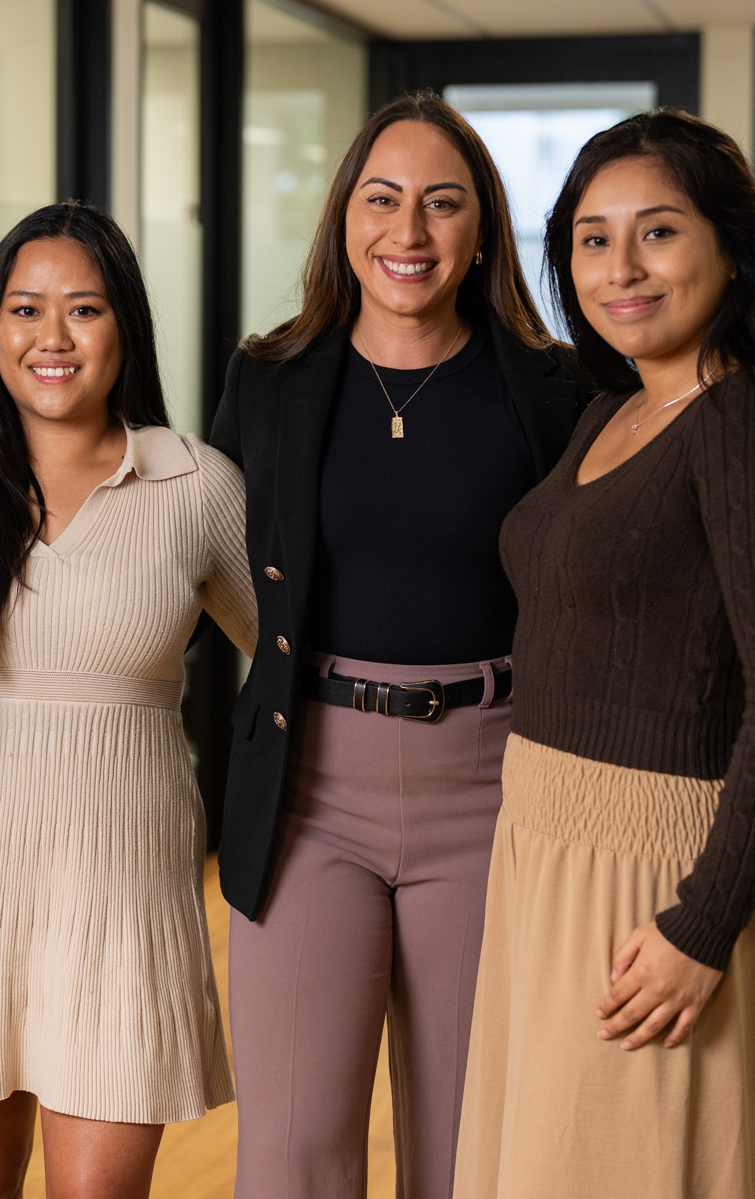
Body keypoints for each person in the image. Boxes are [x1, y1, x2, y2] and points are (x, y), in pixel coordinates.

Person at [451, 110, 755, 1199]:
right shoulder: (610, 414)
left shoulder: (751, 427)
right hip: (539, 849)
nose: (618, 267)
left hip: (649, 882)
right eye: (590, 237)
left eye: (657, 232)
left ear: (733, 250)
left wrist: (700, 924)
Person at [208, 90, 587, 1199]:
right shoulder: (267, 379)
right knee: (287, 1157)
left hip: (493, 781)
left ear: (480, 232)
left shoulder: (553, 390)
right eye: (381, 200)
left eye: (440, 204)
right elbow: (214, 566)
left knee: (466, 1149)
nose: (406, 233)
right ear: (342, 220)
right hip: (307, 784)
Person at [0, 202, 257, 1199]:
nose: (49, 337)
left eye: (83, 309)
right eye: (24, 309)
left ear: (124, 330)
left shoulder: (194, 484)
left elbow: (283, 667)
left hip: (123, 892)